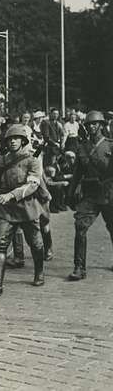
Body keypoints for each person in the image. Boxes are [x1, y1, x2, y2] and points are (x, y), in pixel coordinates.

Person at [0, 124, 46, 296]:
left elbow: (32, 185)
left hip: (27, 207)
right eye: (9, 139)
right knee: (0, 244)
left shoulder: (32, 160)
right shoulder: (1, 161)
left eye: (16, 138)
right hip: (6, 209)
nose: (12, 142)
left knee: (36, 243)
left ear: (23, 140)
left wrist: (11, 195)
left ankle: (39, 272)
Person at [67, 110, 113, 281]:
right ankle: (79, 267)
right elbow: (77, 175)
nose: (92, 127)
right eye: (89, 125)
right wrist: (70, 194)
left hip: (109, 194)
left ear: (101, 125)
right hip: (91, 195)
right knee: (80, 228)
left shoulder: (110, 145)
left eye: (95, 124)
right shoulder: (82, 148)